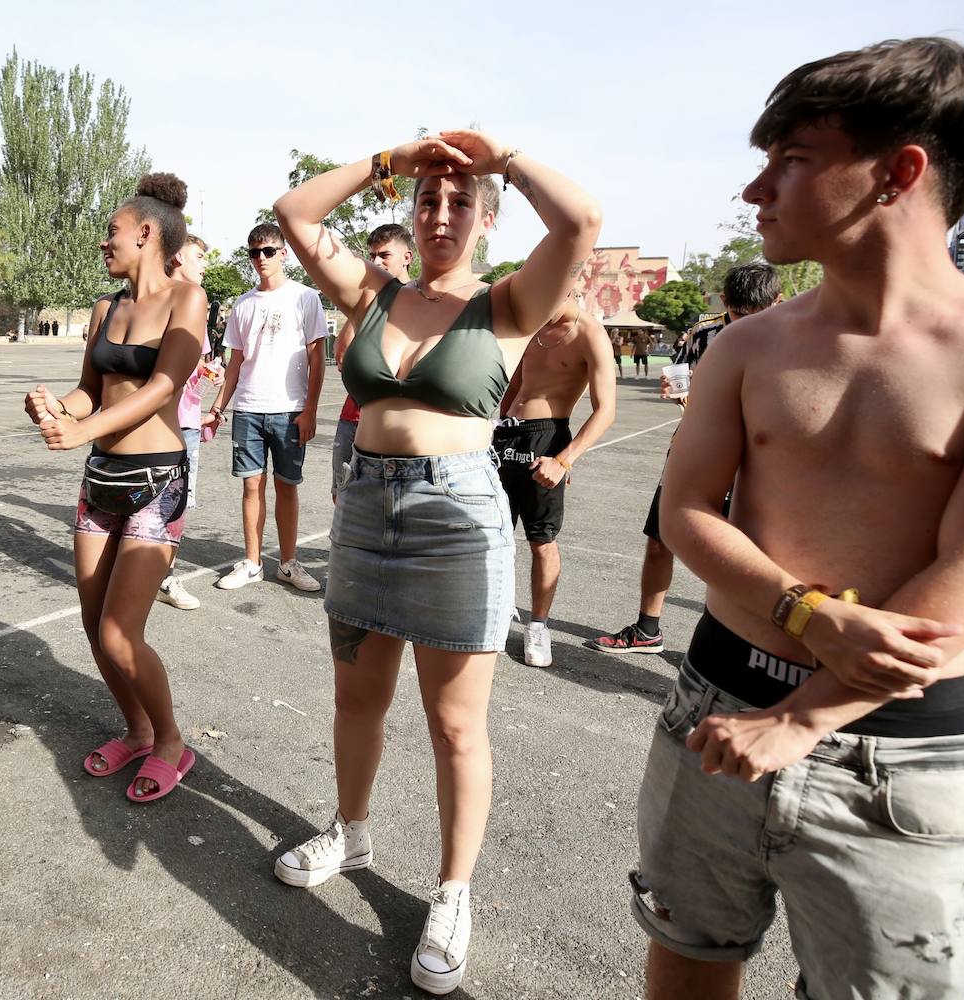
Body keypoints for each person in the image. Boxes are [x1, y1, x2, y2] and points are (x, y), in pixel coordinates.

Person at [628, 38, 964, 1000]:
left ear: (900, 171)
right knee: (689, 954)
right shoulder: (748, 346)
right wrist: (808, 613)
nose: (758, 190)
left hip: (900, 755)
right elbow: (685, 513)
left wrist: (805, 717)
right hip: (716, 704)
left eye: (792, 158)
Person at [271, 130, 600, 995]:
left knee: (456, 726)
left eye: (461, 203)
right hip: (365, 508)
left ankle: (453, 892)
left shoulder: (508, 304)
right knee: (356, 697)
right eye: (429, 200)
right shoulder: (373, 292)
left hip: (458, 517)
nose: (441, 213)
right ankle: (351, 831)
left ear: (486, 221)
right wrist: (390, 161)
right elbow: (295, 212)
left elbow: (582, 219)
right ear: (411, 215)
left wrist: (505, 161)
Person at [22, 172, 207, 804]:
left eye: (113, 231)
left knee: (121, 633)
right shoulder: (106, 308)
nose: (105, 242)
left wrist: (83, 428)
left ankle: (173, 744)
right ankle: (135, 730)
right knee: (92, 621)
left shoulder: (189, 299)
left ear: (148, 233)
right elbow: (89, 393)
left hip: (157, 482)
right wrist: (56, 409)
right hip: (99, 480)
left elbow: (163, 387)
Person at [589, 262, 780, 655]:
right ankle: (647, 629)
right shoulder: (704, 332)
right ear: (725, 302)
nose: (744, 326)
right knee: (661, 537)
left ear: (777, 303)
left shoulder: (797, 337)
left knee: (750, 548)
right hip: (695, 447)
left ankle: (737, 643)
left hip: (763, 460)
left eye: (756, 317)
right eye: (737, 316)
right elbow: (679, 373)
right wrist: (674, 387)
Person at [200, 223, 326, 592]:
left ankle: (288, 563)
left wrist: (310, 410)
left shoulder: (306, 298)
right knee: (251, 486)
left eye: (268, 251)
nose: (261, 259)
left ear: (284, 253)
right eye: (254, 252)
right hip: (249, 410)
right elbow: (235, 362)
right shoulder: (243, 303)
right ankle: (252, 562)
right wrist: (219, 408)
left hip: (290, 410)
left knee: (287, 486)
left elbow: (317, 359)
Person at [495, 292, 616, 666]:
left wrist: (564, 460)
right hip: (505, 435)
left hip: (547, 438)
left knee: (541, 540)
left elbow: (606, 410)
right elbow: (513, 386)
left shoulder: (590, 334)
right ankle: (494, 616)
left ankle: (538, 626)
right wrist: (492, 428)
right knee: (490, 535)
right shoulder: (532, 326)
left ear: (570, 285)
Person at [331, 224, 415, 502]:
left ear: (407, 257)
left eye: (384, 255)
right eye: (372, 256)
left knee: (394, 501)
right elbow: (342, 354)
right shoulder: (367, 299)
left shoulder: (422, 302)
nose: (376, 262)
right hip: (353, 417)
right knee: (343, 496)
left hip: (396, 423)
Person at [157, 233, 216, 611]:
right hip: (155, 424)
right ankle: (139, 571)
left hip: (187, 424)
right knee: (142, 500)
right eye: (199, 256)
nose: (204, 265)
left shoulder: (199, 307)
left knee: (177, 506)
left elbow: (198, 367)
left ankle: (165, 576)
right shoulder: (156, 301)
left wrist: (211, 372)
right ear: (178, 256)